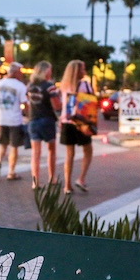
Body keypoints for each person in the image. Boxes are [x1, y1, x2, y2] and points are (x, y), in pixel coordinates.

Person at [0, 62, 29, 180]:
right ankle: (11, 172)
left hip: (1, 118)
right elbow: (24, 104)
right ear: (16, 72)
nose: (22, 74)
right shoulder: (20, 86)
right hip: (14, 120)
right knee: (13, 146)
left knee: (2, 144)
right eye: (20, 72)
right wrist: (27, 115)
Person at [59, 60, 93, 194]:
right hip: (82, 123)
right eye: (83, 69)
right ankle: (81, 179)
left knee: (69, 154)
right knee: (88, 151)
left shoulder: (63, 86)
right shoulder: (85, 85)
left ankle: (67, 185)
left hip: (67, 122)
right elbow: (90, 103)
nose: (85, 71)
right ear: (78, 71)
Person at [27, 60, 61, 189]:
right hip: (46, 120)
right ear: (46, 71)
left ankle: (35, 182)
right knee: (51, 150)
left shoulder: (30, 86)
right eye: (50, 69)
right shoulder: (49, 86)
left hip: (33, 120)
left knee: (35, 153)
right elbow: (56, 105)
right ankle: (52, 178)